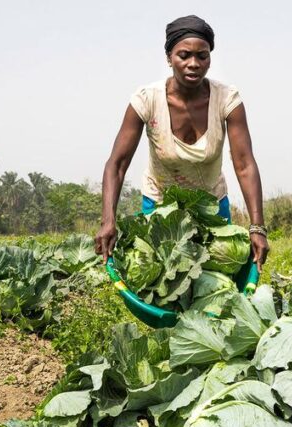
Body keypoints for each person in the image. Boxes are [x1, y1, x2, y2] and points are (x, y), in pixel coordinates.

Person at [94, 15, 269, 271]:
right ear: (168, 58)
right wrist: (107, 220)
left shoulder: (227, 100)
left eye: (202, 56)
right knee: (160, 278)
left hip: (211, 205)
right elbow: (117, 164)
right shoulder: (146, 100)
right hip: (160, 207)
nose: (193, 64)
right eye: (184, 55)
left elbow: (244, 164)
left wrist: (257, 227)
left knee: (217, 279)